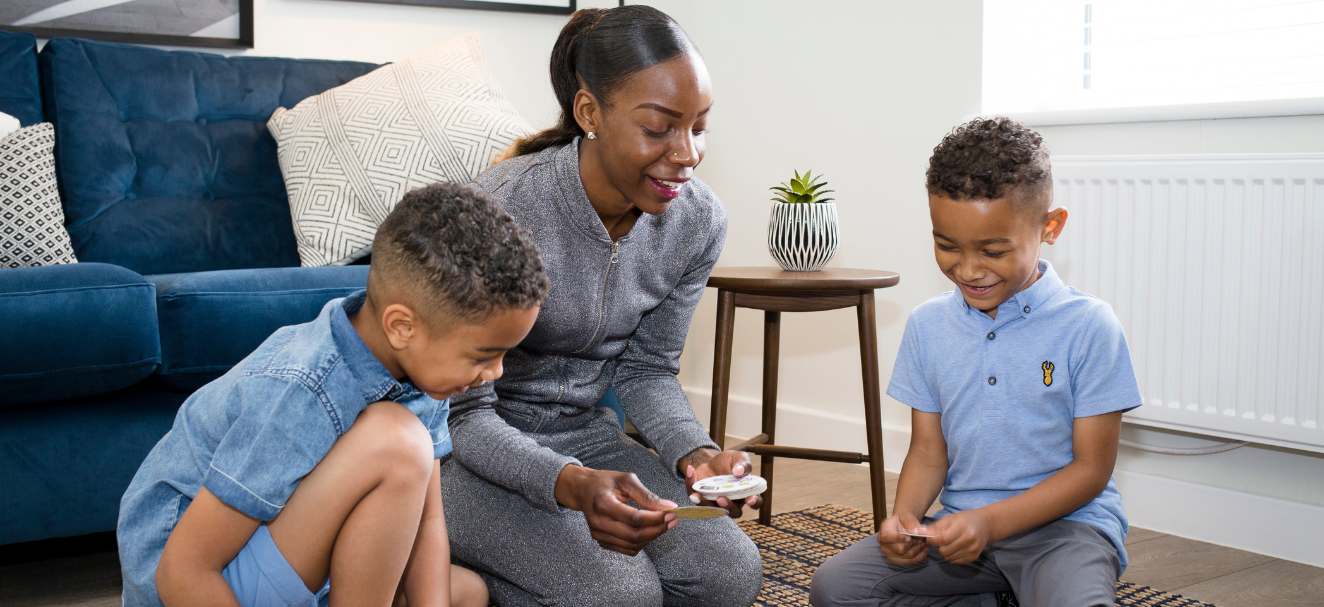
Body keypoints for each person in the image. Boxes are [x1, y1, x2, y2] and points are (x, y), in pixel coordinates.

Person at [439, 5, 763, 607]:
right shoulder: (498, 213)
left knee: (729, 573)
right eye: (660, 127)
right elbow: (463, 417)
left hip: (589, 441)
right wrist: (569, 485)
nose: (688, 153)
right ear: (590, 112)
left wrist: (696, 454)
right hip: (467, 457)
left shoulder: (696, 221)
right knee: (621, 593)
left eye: (699, 127)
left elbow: (647, 370)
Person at [117, 182, 548, 607]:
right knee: (397, 442)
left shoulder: (425, 369)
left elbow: (427, 520)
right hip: (195, 582)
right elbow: (182, 571)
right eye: (483, 355)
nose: (495, 373)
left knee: (466, 593)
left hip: (277, 556)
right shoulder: (300, 390)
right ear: (402, 327)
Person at [810, 118, 1142, 607]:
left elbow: (1091, 470)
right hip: (959, 535)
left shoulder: (1089, 326)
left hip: (1065, 531)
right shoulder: (928, 326)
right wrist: (905, 520)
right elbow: (928, 452)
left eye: (992, 250)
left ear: (1050, 227)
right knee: (836, 589)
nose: (967, 269)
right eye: (947, 246)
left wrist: (990, 523)